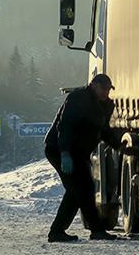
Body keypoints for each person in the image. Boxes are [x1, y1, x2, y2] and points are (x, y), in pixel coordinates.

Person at [44, 73, 121, 242]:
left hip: (79, 153)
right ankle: (68, 231)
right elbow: (65, 126)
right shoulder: (78, 99)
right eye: (103, 89)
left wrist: (120, 146)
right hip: (59, 150)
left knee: (81, 189)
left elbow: (104, 131)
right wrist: (65, 153)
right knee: (79, 189)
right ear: (93, 85)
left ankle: (63, 231)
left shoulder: (106, 105)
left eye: (108, 90)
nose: (106, 93)